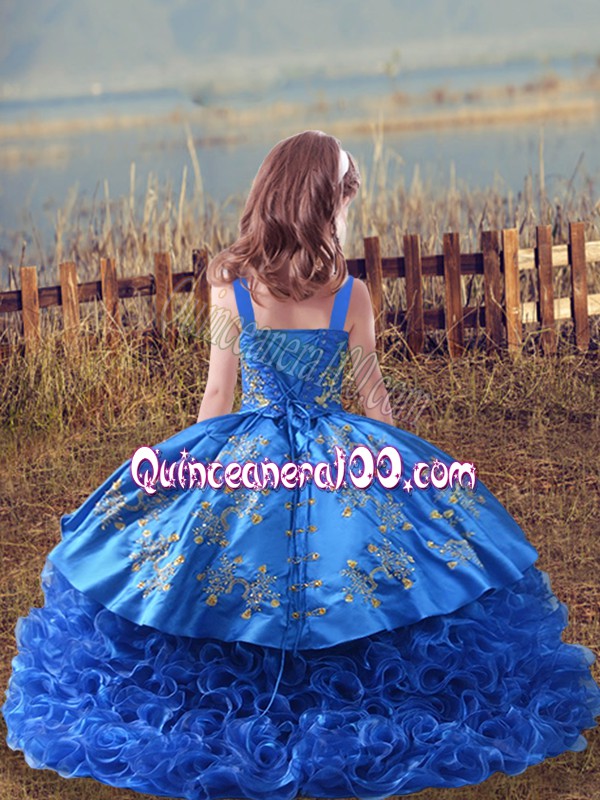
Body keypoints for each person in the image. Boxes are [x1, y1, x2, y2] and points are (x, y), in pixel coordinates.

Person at [2, 129, 600, 800]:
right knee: (357, 565)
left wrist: (188, 483)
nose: (346, 211)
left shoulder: (232, 287)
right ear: (323, 205)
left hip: (247, 454)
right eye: (343, 199)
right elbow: (374, 401)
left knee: (211, 566)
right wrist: (401, 481)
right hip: (336, 450)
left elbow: (217, 396)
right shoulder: (351, 294)